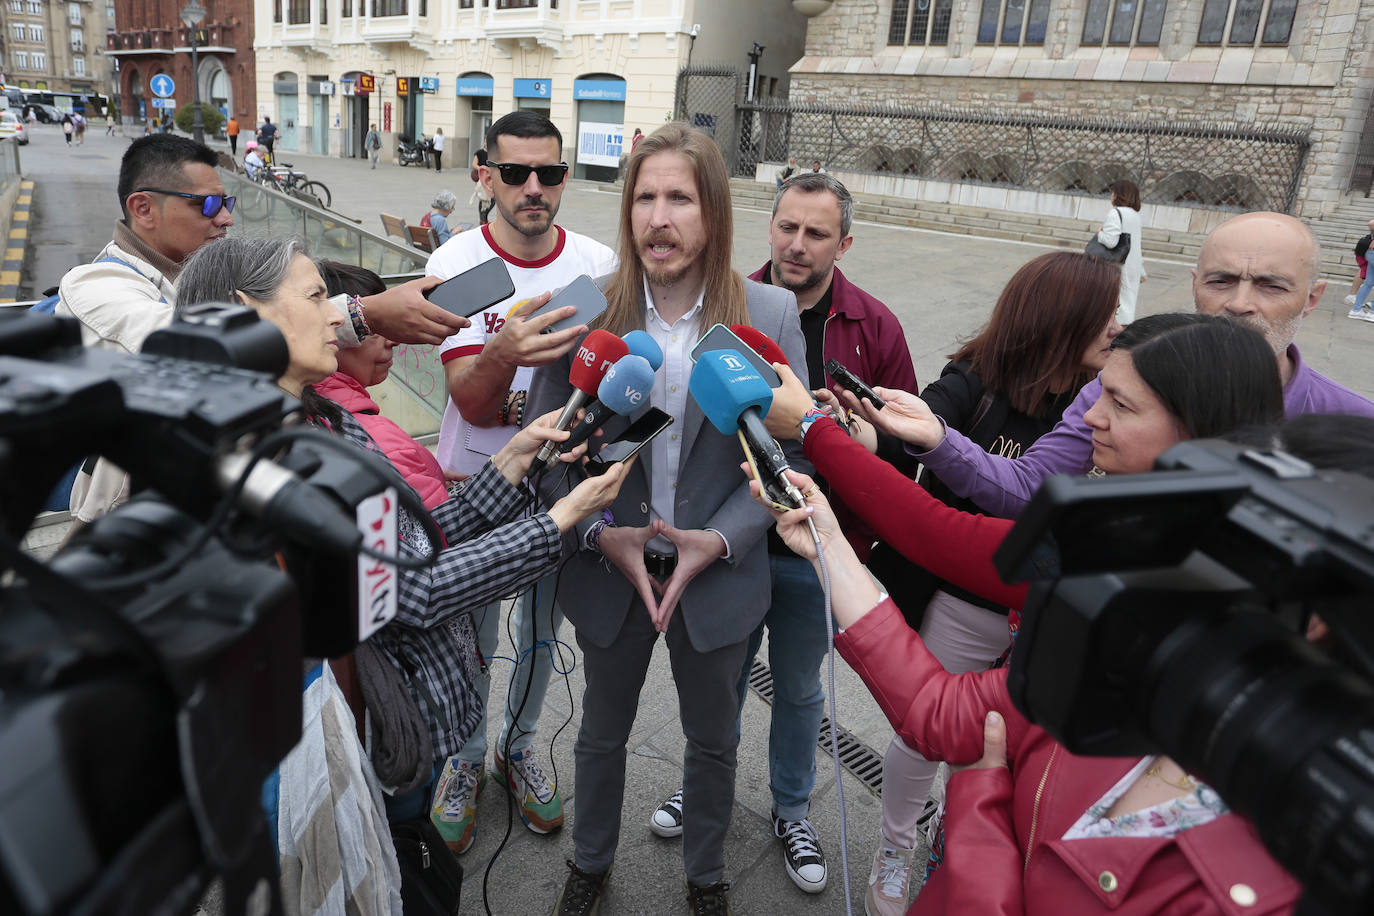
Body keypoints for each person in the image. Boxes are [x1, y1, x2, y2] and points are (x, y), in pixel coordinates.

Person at [758, 314, 1293, 914]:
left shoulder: (1142, 600)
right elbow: (948, 537)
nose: (1090, 417)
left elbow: (940, 700)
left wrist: (812, 429)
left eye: (1119, 403)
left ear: (1201, 435)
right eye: (1098, 392)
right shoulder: (1116, 539)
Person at [529, 122, 809, 916]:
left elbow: (796, 458)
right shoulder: (585, 310)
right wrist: (596, 533)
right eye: (644, 198)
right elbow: (547, 455)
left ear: (712, 213)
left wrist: (718, 538)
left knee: (714, 742)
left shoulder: (771, 312)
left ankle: (707, 877)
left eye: (679, 198)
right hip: (608, 566)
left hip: (719, 571)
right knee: (598, 735)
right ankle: (589, 863)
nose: (659, 217)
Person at [645, 171, 918, 896]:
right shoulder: (725, 304)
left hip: (813, 546)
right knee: (720, 680)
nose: (797, 245)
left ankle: (792, 809)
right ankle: (705, 785)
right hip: (728, 540)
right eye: (787, 227)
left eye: (817, 233)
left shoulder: (877, 328)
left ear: (845, 242)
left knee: (799, 689)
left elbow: (907, 452)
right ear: (769, 227)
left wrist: (855, 439)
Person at [861, 251, 1121, 915]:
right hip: (965, 600)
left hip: (1047, 610)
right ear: (1065, 320)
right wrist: (867, 435)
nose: (1117, 326)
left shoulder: (1103, 400)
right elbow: (917, 423)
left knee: (999, 751)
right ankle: (895, 845)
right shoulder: (976, 379)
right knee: (927, 734)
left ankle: (957, 842)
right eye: (1105, 313)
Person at [55, 134, 465, 532]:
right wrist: (363, 312)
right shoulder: (93, 287)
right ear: (143, 208)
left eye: (227, 202)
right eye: (208, 205)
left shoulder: (188, 277)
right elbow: (186, 342)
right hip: (137, 530)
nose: (226, 218)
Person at [883, 211, 1374, 521]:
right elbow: (1033, 486)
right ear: (1195, 282)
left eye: (1271, 285)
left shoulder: (1354, 425)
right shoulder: (1111, 385)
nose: (1239, 304)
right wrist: (939, 438)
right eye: (1221, 281)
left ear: (1312, 299)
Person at [424, 109, 617, 856]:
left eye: (550, 173)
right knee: (470, 633)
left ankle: (521, 745)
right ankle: (466, 758)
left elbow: (599, 382)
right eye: (515, 173)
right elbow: (468, 400)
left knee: (541, 632)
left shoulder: (597, 265)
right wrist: (508, 355)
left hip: (555, 484)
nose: (534, 188)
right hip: (472, 482)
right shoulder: (462, 264)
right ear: (485, 175)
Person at [1095, 179, 1146, 323]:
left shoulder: (1115, 213)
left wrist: (1100, 233)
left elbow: (1111, 242)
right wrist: (1142, 271)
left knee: (1117, 306)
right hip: (1133, 265)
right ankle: (1124, 335)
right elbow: (1136, 245)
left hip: (1119, 265)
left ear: (1118, 195)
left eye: (1113, 193)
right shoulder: (1135, 216)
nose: (1111, 196)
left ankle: (1115, 337)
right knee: (1128, 304)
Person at [1349, 218, 1374, 322]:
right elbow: (1371, 223)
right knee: (1368, 283)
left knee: (1368, 283)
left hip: (1371, 252)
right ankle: (1372, 313)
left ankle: (1356, 310)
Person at [469, 148, 493, 224]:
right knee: (483, 198)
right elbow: (474, 164)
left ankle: (485, 216)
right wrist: (484, 170)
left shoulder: (494, 151)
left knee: (493, 199)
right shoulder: (479, 152)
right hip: (482, 178)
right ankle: (482, 219)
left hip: (492, 178)